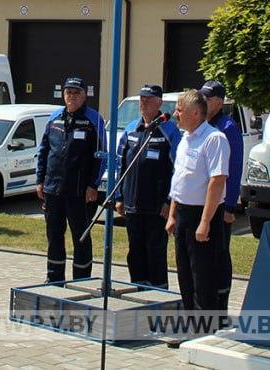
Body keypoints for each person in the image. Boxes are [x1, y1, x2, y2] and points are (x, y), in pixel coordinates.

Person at [166, 89, 229, 333]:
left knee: (203, 276)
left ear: (194, 113)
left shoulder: (214, 139)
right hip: (182, 213)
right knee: (184, 273)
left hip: (203, 215)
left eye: (179, 110)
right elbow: (180, 179)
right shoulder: (185, 138)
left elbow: (217, 180)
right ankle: (189, 326)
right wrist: (172, 214)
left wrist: (205, 222)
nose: (175, 114)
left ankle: (204, 332)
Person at [36, 76, 105, 282]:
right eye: (68, 92)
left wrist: (93, 185)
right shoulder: (54, 117)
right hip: (53, 189)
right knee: (54, 236)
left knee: (81, 237)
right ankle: (54, 278)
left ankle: (81, 280)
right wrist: (40, 180)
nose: (72, 96)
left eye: (76, 93)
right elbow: (43, 151)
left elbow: (101, 156)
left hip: (80, 192)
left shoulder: (94, 120)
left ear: (84, 96)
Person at [114, 84, 180, 289]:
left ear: (159, 102)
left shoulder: (169, 130)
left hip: (157, 207)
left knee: (155, 251)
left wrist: (169, 202)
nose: (144, 103)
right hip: (132, 204)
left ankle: (158, 295)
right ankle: (137, 290)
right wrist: (118, 197)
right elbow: (120, 164)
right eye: (142, 99)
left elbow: (178, 170)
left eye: (149, 99)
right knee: (135, 251)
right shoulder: (131, 129)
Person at [201, 79, 245, 306]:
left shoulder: (227, 127)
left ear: (219, 102)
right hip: (204, 200)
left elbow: (235, 167)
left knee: (219, 252)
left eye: (207, 99)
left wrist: (229, 206)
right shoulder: (201, 125)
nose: (203, 102)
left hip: (221, 203)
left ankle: (221, 301)